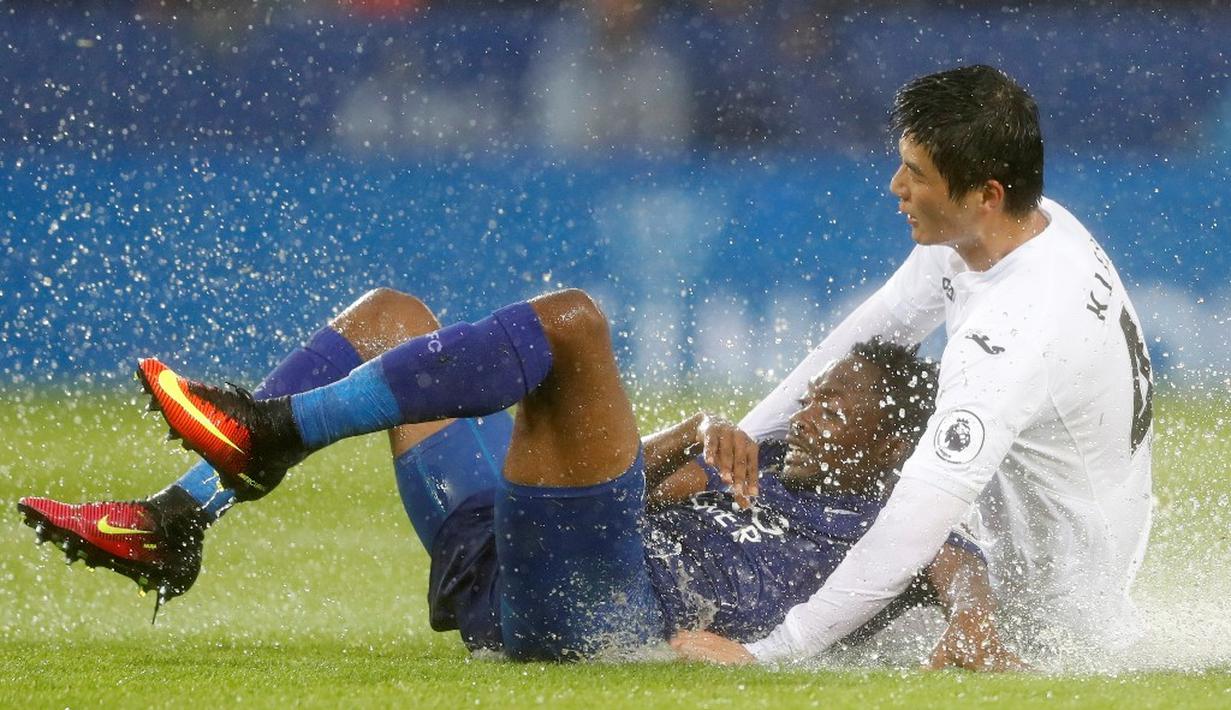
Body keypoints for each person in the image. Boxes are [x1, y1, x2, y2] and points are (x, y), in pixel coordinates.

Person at [18, 287, 1010, 666]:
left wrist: (972, 629)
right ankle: (178, 515)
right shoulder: (768, 460)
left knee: (571, 327)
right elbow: (630, 493)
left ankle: (267, 431)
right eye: (820, 391)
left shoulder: (898, 510)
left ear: (893, 443)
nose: (814, 410)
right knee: (390, 316)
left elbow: (958, 570)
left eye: (842, 408)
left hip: (599, 610)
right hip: (516, 558)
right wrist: (689, 436)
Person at [672, 64, 1154, 665]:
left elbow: (921, 511)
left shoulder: (1016, 331)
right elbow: (867, 333)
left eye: (916, 174)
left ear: (985, 194)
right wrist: (744, 439)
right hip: (1063, 543)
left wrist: (772, 652)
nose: (896, 185)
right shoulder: (1013, 228)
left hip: (1056, 619)